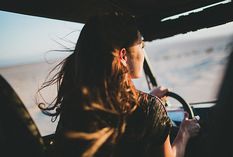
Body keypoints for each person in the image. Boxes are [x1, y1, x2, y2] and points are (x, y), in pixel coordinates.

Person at [38, 13, 200, 157]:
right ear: (123, 55)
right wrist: (184, 133)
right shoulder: (150, 110)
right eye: (141, 45)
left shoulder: (75, 104)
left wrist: (150, 100)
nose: (143, 52)